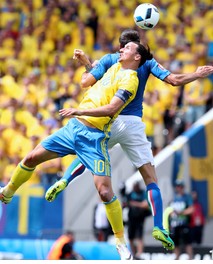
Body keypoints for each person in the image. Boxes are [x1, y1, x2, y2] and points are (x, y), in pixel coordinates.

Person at [44, 29, 213, 250]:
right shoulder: (145, 61)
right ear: (136, 46)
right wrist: (198, 74)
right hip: (133, 122)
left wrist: (86, 63)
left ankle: (65, 180)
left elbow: (87, 82)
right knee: (150, 178)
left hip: (109, 118)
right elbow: (174, 80)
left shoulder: (110, 59)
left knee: (89, 154)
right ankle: (159, 227)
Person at [0, 41, 151, 260]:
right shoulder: (113, 66)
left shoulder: (131, 79)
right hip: (72, 129)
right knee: (32, 157)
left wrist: (79, 109)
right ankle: (8, 192)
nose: (121, 49)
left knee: (105, 192)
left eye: (127, 48)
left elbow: (111, 109)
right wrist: (87, 63)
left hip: (94, 138)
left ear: (137, 57)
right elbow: (94, 83)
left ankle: (120, 241)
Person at [163, 180, 194, 260]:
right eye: (177, 186)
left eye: (180, 186)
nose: (179, 188)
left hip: (184, 224)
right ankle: (177, 257)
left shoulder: (187, 197)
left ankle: (190, 258)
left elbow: (191, 209)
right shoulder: (173, 198)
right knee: (175, 243)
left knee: (187, 242)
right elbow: (168, 211)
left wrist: (181, 212)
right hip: (174, 224)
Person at [126, 181, 151, 259]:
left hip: (140, 218)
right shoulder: (130, 194)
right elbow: (127, 203)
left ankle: (139, 253)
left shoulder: (143, 193)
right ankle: (133, 254)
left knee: (139, 237)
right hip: (131, 218)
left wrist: (135, 204)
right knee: (131, 237)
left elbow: (146, 204)